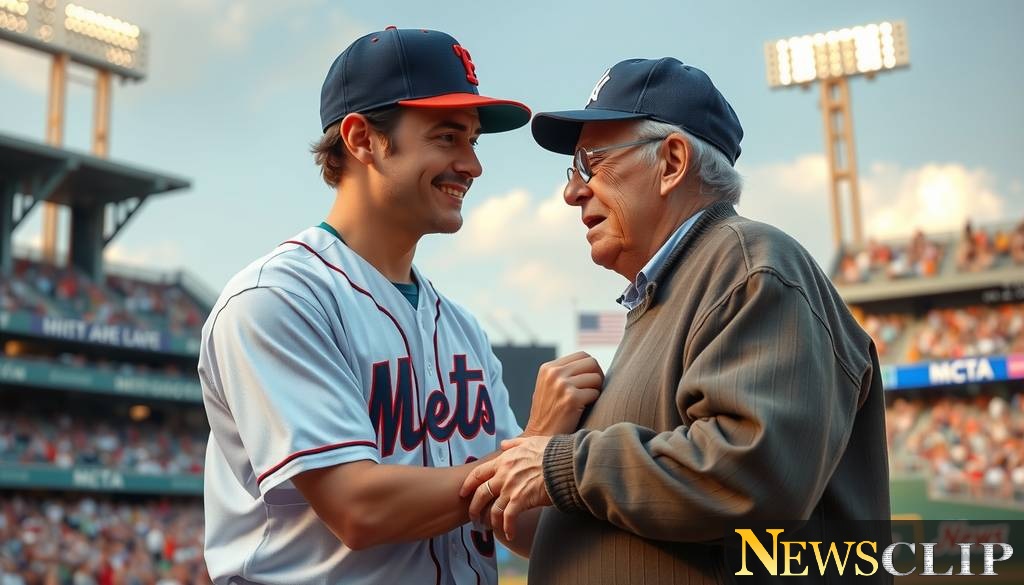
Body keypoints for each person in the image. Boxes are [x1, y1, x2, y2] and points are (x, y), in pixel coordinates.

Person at [462, 57, 891, 584]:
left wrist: (560, 464)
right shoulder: (673, 290)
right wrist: (543, 449)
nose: (573, 191)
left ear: (671, 161)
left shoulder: (750, 263)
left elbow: (751, 480)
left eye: (591, 163)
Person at [198, 27, 602, 584]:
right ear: (362, 138)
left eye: (474, 141)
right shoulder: (276, 300)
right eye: (446, 136)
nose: (472, 165)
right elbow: (359, 508)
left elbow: (520, 522)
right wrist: (531, 448)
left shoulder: (461, 328)